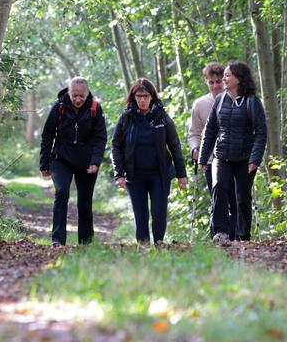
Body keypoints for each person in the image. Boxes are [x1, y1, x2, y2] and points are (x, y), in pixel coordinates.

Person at [111, 78, 187, 245]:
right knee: (141, 214)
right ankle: (143, 247)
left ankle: (159, 243)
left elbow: (175, 146)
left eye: (145, 96)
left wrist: (181, 174)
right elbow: (116, 146)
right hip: (134, 174)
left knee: (159, 212)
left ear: (152, 96)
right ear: (133, 97)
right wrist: (119, 174)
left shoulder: (162, 117)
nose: (142, 100)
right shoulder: (126, 118)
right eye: (139, 96)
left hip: (159, 174)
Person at [199, 61, 267, 244]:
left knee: (242, 196)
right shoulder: (220, 99)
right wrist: (203, 157)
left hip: (245, 158)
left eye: (228, 75)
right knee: (219, 187)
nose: (224, 79)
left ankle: (243, 235)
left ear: (239, 78)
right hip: (221, 156)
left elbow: (261, 132)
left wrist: (255, 159)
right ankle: (221, 232)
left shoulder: (251, 101)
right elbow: (210, 129)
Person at [39, 76, 107, 246]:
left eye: (81, 96)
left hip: (87, 162)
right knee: (61, 193)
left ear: (87, 94)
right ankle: (57, 240)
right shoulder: (59, 106)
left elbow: (100, 138)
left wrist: (95, 161)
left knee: (85, 202)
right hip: (61, 160)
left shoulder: (95, 109)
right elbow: (48, 135)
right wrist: (44, 163)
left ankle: (86, 243)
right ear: (69, 92)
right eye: (74, 95)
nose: (78, 99)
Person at [187, 62, 237, 239]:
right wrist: (195, 148)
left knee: (235, 199)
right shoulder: (199, 105)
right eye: (211, 82)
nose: (215, 86)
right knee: (218, 197)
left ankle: (236, 236)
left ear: (225, 80)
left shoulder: (236, 100)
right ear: (206, 82)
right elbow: (193, 133)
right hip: (209, 160)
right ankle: (218, 235)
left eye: (218, 81)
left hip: (235, 158)